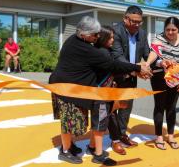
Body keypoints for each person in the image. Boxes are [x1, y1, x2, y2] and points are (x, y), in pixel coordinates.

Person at [49, 16, 151, 165]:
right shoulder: (86, 49)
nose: (97, 37)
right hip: (66, 88)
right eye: (95, 34)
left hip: (73, 89)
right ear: (84, 34)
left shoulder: (76, 39)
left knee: (74, 121)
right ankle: (65, 151)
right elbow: (113, 65)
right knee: (68, 122)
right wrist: (137, 67)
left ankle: (70, 146)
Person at [108, 5, 150, 155]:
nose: (137, 25)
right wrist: (138, 70)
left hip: (132, 78)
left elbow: (147, 53)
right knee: (113, 109)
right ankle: (115, 140)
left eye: (140, 22)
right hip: (115, 77)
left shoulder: (142, 33)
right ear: (125, 18)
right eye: (134, 21)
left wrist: (154, 65)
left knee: (126, 108)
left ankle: (122, 134)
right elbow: (117, 57)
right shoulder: (116, 31)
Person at [146, 17, 179, 150]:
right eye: (167, 30)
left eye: (173, 30)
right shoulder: (159, 39)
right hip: (159, 76)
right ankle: (159, 136)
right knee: (159, 105)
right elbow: (154, 53)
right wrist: (148, 64)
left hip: (176, 77)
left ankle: (170, 135)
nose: (170, 32)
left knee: (172, 107)